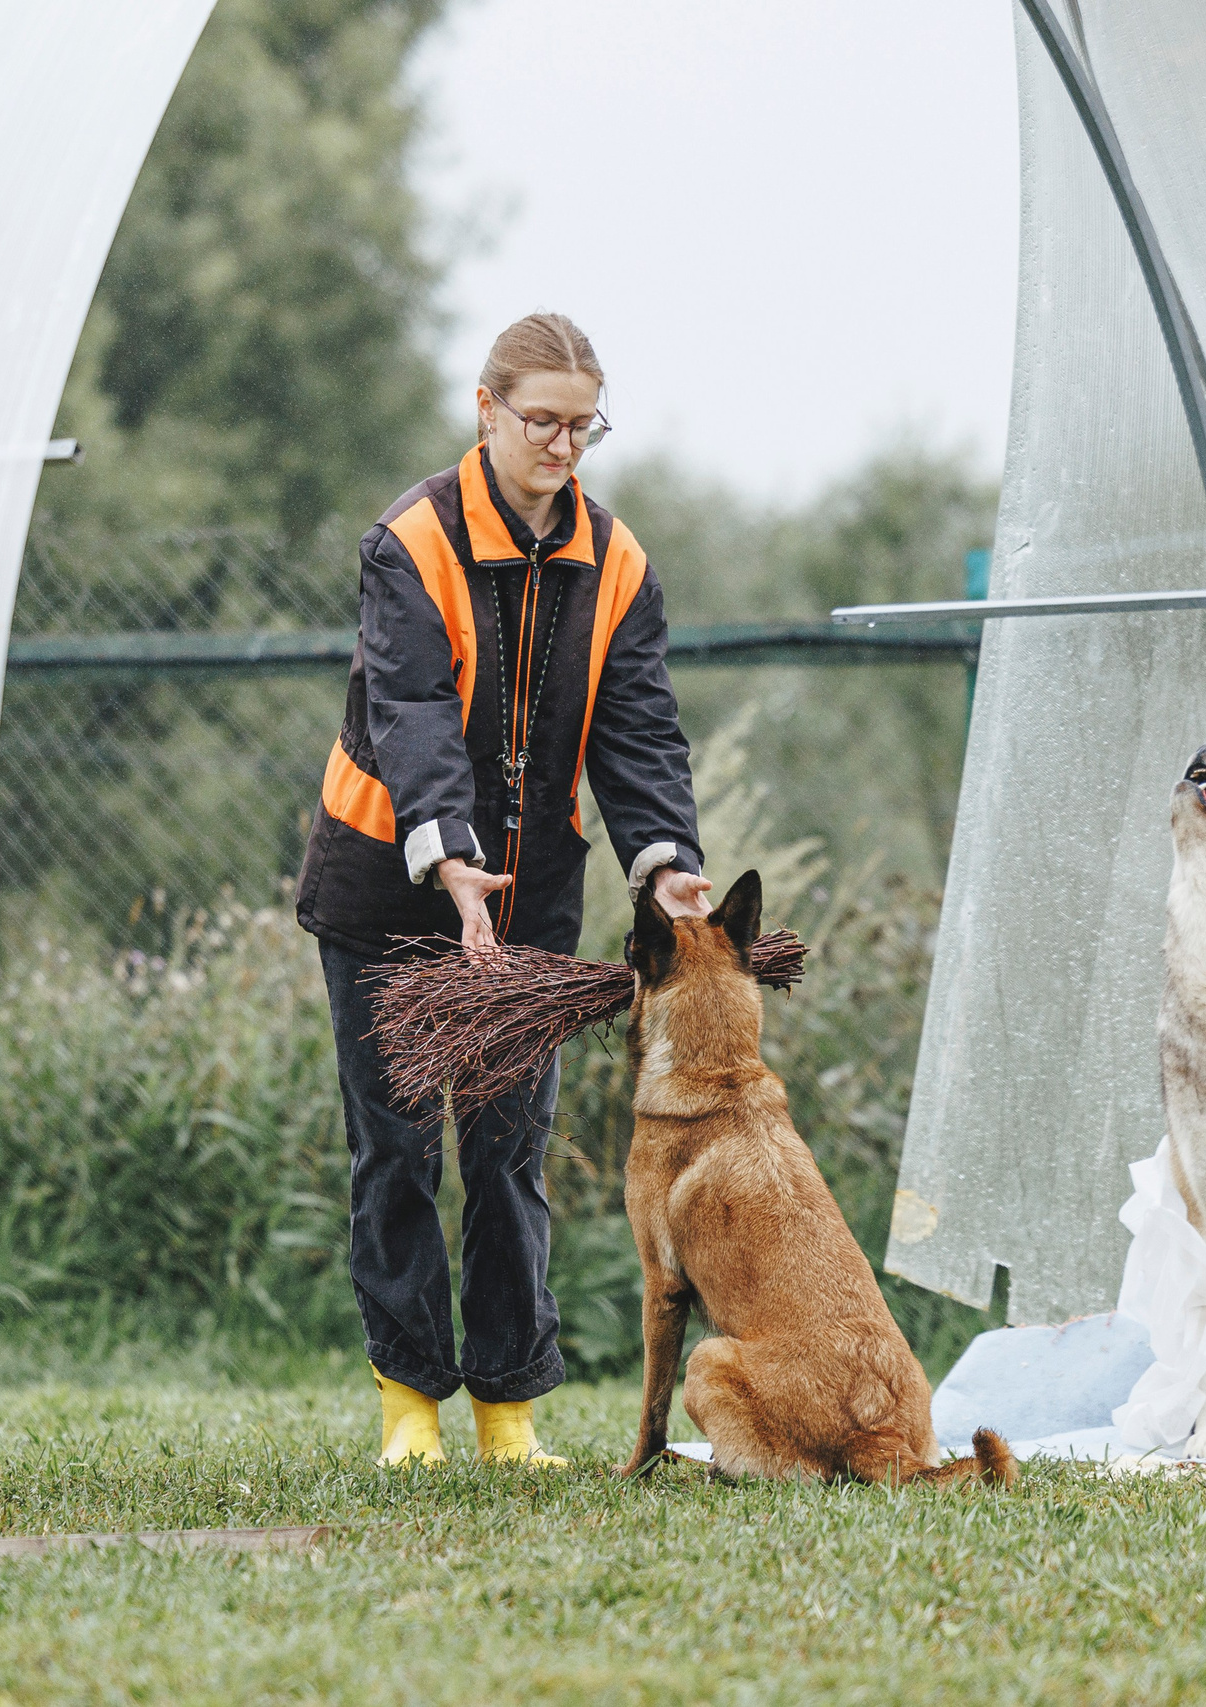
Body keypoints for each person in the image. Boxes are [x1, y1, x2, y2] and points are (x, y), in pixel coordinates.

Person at [296, 312, 712, 1467]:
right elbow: (411, 709)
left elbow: (638, 730)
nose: (563, 447)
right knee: (394, 1150)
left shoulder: (617, 563)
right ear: (486, 410)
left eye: (585, 427)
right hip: (387, 884)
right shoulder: (409, 541)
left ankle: (508, 1414)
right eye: (542, 421)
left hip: (529, 898)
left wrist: (665, 859)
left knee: (507, 1154)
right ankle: (408, 1408)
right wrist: (447, 856)